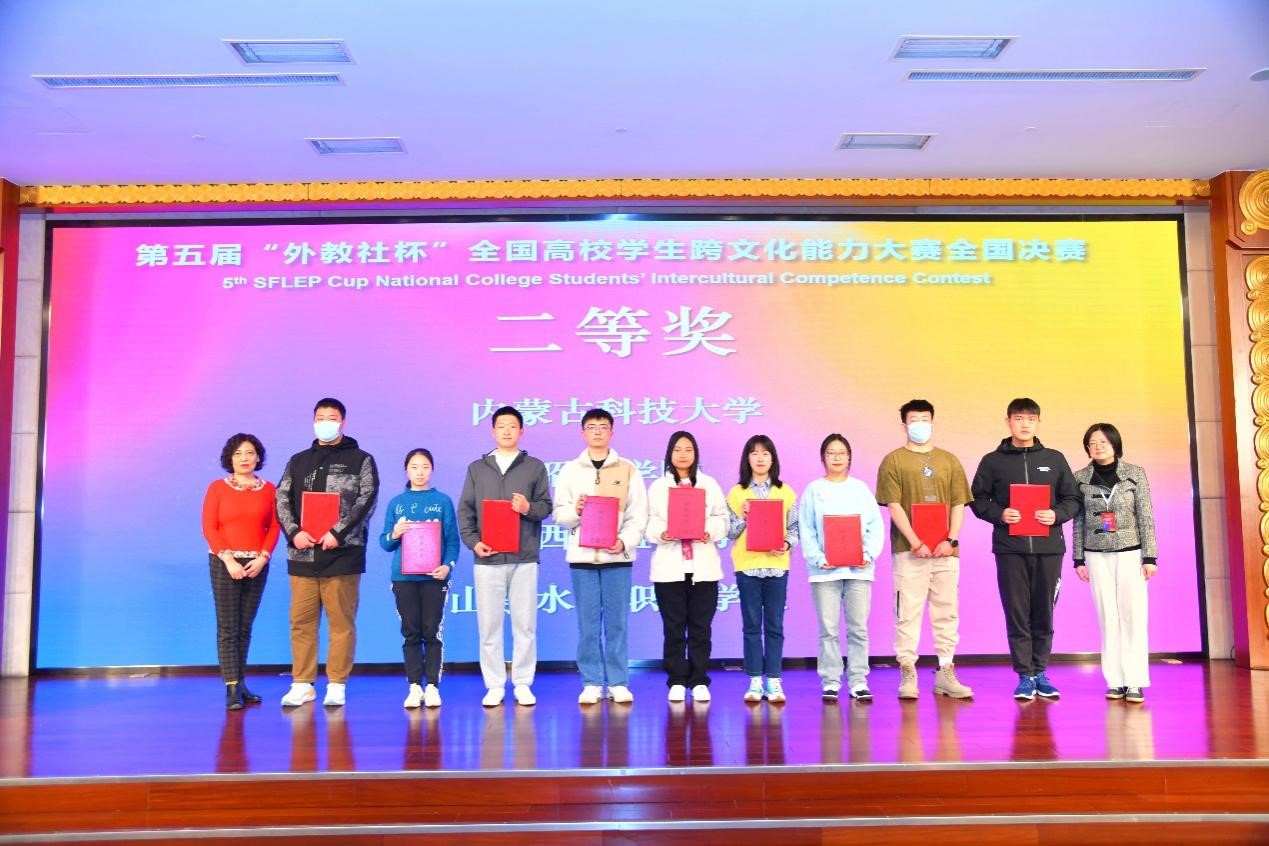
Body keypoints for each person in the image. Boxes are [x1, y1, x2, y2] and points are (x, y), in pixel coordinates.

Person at [970, 398, 1080, 702]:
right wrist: (1000, 514)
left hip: (1049, 549)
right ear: (1008, 421)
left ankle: (1041, 672)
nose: (1025, 424)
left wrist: (1056, 514)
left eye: (1031, 419)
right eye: (1018, 418)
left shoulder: (1054, 459)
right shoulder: (993, 461)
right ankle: (1024, 675)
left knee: (1044, 612)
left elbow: (1072, 499)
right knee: (1017, 612)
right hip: (1010, 549)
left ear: (1038, 422)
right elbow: (977, 499)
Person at [275, 398, 379, 708]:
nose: (325, 423)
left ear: (342, 422)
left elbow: (367, 500)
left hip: (343, 556)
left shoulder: (361, 459)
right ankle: (302, 683)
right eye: (320, 418)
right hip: (303, 555)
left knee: (341, 623)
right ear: (313, 421)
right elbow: (281, 499)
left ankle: (336, 683)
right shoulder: (298, 461)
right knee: (301, 623)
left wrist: (338, 533)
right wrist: (294, 532)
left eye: (331, 418)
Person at [875, 400, 974, 700]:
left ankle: (946, 670)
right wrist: (915, 541)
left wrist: (951, 540)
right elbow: (893, 505)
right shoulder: (893, 461)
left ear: (933, 423)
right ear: (904, 425)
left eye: (925, 419)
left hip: (946, 551)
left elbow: (958, 503)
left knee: (947, 611)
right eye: (914, 419)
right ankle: (908, 670)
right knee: (907, 612)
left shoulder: (949, 460)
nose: (920, 424)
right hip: (909, 551)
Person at [457, 406, 553, 707]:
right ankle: (495, 684)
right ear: (493, 431)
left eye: (512, 426)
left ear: (521, 431)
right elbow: (465, 510)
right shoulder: (477, 468)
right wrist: (474, 543)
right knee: (489, 625)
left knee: (525, 625)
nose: (507, 431)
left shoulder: (534, 467)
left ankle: (523, 683)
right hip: (488, 557)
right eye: (501, 426)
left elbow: (546, 507)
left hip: (524, 556)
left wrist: (528, 508)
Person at [552, 408, 649, 705]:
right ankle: (592, 681)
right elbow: (559, 514)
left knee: (617, 623)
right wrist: (576, 510)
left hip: (617, 558)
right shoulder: (570, 470)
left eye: (603, 426)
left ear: (612, 432)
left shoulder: (628, 469)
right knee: (588, 624)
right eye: (591, 427)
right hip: (582, 558)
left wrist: (624, 542)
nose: (597, 431)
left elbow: (638, 515)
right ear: (583, 432)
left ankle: (618, 681)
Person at [1073, 424, 1158, 704]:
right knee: (1107, 617)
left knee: (1133, 616)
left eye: (1104, 442)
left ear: (1115, 444)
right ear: (1087, 447)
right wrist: (1078, 558)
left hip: (1131, 553)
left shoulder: (1135, 473)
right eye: (1092, 442)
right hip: (1096, 554)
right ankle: (1115, 681)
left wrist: (1150, 557)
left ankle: (1134, 681)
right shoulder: (1079, 478)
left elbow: (1145, 516)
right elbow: (1078, 521)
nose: (1098, 446)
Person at [798, 434, 885, 702]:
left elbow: (875, 526)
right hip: (824, 572)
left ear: (849, 457)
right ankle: (831, 681)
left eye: (842, 453)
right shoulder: (813, 490)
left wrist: (867, 555)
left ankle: (858, 681)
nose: (836, 457)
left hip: (859, 571)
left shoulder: (860, 489)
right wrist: (817, 558)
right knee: (829, 630)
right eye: (831, 452)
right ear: (823, 457)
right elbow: (806, 528)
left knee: (858, 629)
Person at [645, 431, 730, 703]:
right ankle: (677, 680)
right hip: (669, 569)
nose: (683, 454)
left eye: (688, 449)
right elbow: (648, 522)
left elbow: (722, 519)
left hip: (703, 568)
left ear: (696, 454)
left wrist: (708, 530)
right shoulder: (658, 487)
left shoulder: (709, 484)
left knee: (700, 628)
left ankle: (699, 679)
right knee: (673, 628)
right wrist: (663, 533)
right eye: (677, 449)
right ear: (669, 454)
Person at [201, 433, 279, 709]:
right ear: (229, 458)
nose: (244, 458)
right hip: (225, 562)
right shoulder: (217, 488)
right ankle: (231, 686)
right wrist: (229, 560)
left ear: (258, 457)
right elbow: (209, 527)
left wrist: (262, 559)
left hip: (256, 564)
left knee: (245, 626)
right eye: (238, 453)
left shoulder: (269, 490)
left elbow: (274, 527)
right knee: (228, 627)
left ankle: (241, 682)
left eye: (249, 453)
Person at [380, 448, 459, 709]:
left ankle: (433, 685)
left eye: (425, 467)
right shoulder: (397, 503)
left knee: (432, 631)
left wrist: (447, 566)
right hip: (404, 579)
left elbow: (452, 541)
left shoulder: (443, 501)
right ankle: (414, 685)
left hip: (434, 577)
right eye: (414, 467)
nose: (420, 472)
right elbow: (385, 543)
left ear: (432, 470)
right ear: (406, 470)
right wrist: (395, 533)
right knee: (411, 632)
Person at [725, 434, 798, 703]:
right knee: (752, 625)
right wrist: (744, 516)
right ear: (747, 458)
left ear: (773, 459)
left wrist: (786, 544)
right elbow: (730, 532)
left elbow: (794, 528)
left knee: (775, 625)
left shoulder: (785, 491)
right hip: (747, 567)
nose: (760, 458)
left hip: (776, 567)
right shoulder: (737, 492)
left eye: (765, 453)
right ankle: (755, 679)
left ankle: (774, 680)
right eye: (754, 453)